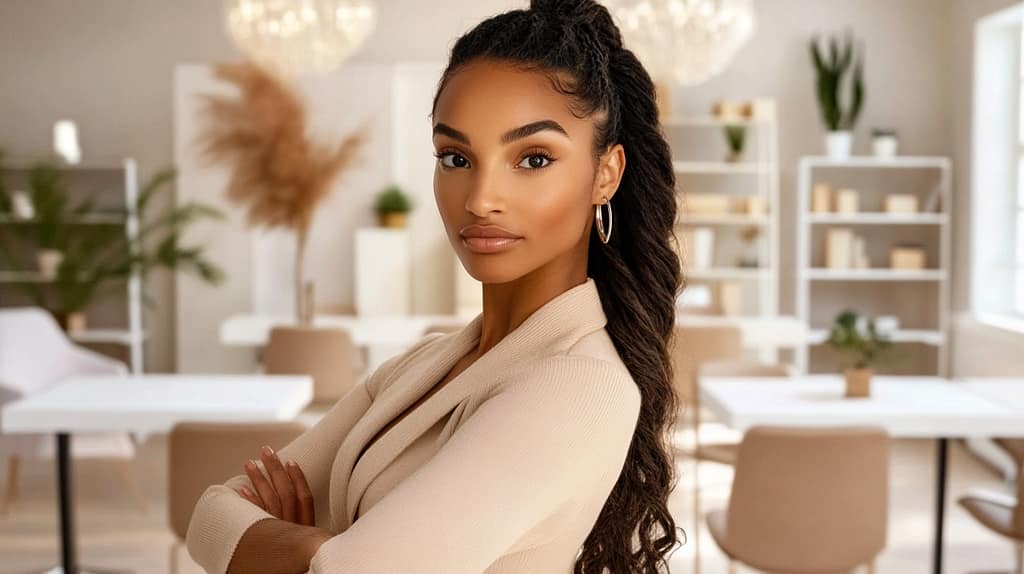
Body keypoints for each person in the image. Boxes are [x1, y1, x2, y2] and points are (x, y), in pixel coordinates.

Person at [185, 0, 684, 572]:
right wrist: (326, 550)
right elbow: (210, 513)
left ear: (605, 174)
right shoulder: (420, 365)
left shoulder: (579, 386)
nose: (479, 199)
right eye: (455, 156)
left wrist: (306, 542)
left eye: (534, 158)